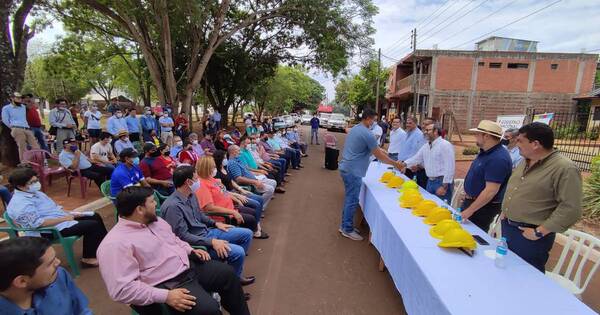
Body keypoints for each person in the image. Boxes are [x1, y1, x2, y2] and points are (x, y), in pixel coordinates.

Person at [97, 186, 251, 315]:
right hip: (168, 284)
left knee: (228, 274)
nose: (156, 205)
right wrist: (166, 296)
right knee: (209, 310)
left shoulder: (156, 222)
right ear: (140, 209)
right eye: (152, 202)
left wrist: (190, 250)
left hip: (188, 265)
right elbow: (122, 290)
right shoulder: (115, 244)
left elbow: (175, 240)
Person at [501, 122, 582, 273]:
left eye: (520, 140)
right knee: (506, 272)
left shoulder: (564, 168)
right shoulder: (524, 161)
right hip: (508, 228)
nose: (516, 143)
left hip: (531, 237)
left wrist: (539, 232)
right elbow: (516, 189)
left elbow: (571, 208)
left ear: (535, 144)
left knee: (527, 279)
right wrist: (505, 211)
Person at [161, 166, 255, 283]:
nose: (198, 181)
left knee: (246, 234)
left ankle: (233, 274)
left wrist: (216, 223)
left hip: (207, 232)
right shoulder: (173, 206)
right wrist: (212, 242)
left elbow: (200, 215)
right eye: (196, 178)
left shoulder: (191, 195)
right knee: (238, 252)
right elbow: (182, 236)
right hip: (198, 243)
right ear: (188, 182)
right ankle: (232, 281)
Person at [6, 167, 108, 266]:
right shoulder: (21, 204)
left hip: (59, 219)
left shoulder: (35, 193)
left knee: (95, 216)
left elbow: (53, 208)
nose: (36, 183)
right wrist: (65, 218)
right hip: (47, 230)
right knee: (92, 225)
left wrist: (70, 213)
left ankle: (103, 247)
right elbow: (38, 224)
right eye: (32, 182)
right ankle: (88, 258)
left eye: (36, 180)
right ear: (20, 186)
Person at [338, 108, 404, 241]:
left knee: (350, 198)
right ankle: (347, 229)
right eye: (373, 120)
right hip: (353, 170)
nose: (374, 122)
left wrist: (391, 158)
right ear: (368, 118)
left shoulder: (356, 128)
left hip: (347, 167)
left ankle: (345, 225)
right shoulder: (367, 133)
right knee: (352, 200)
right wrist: (395, 164)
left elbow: (377, 149)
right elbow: (378, 155)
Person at [0, 237, 92, 314]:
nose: (58, 262)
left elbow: (81, 310)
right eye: (50, 263)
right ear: (22, 281)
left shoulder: (59, 276)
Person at [460, 120, 512, 231]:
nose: (475, 137)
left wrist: (470, 210)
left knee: (472, 237)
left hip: (482, 208)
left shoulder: (498, 158)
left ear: (486, 136)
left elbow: (490, 191)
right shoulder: (486, 152)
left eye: (478, 134)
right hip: (474, 203)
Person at [195, 156, 266, 237]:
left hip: (230, 207)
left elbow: (224, 192)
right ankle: (251, 233)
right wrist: (233, 212)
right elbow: (209, 208)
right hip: (222, 215)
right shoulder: (202, 185)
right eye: (213, 167)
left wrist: (237, 199)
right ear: (206, 168)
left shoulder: (211, 179)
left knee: (253, 211)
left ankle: (252, 231)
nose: (215, 169)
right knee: (251, 218)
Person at [401, 122, 455, 202]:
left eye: (427, 130)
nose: (425, 132)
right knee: (429, 207)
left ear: (435, 131)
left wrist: (444, 186)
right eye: (424, 130)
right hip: (430, 182)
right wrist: (404, 164)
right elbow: (416, 158)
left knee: (441, 210)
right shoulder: (426, 146)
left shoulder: (445, 145)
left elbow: (450, 167)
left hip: (441, 182)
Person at [213, 150, 266, 218]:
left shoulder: (224, 167)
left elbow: (231, 181)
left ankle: (257, 220)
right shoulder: (216, 173)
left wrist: (240, 189)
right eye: (224, 158)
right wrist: (238, 196)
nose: (226, 160)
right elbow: (223, 190)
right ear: (219, 159)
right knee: (256, 204)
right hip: (230, 194)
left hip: (235, 191)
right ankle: (256, 225)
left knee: (259, 199)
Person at [1, 92, 40, 160]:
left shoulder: (23, 107)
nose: (20, 100)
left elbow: (35, 105)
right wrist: (13, 127)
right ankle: (24, 163)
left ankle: (38, 160)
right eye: (18, 98)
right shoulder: (6, 108)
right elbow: (5, 120)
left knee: (36, 146)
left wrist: (29, 99)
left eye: (20, 98)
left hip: (27, 128)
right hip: (17, 128)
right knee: (22, 146)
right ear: (12, 98)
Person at [396, 116, 427, 187]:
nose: (407, 125)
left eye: (410, 123)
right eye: (407, 123)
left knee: (407, 187)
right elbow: (404, 149)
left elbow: (415, 153)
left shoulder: (418, 135)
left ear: (416, 123)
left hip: (409, 167)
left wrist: (405, 165)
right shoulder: (407, 133)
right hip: (402, 164)